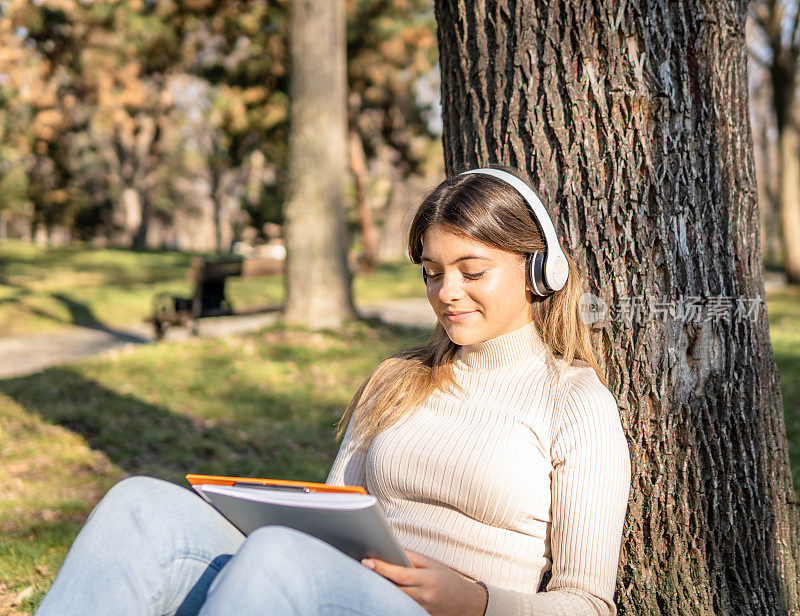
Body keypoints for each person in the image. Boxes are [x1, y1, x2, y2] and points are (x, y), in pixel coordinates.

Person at [35, 166, 631, 616]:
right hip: (330, 589)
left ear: (538, 271)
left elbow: (588, 604)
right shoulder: (396, 378)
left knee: (279, 559)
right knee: (140, 506)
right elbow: (328, 513)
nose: (447, 292)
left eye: (472, 272)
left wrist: (472, 599)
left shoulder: (574, 403)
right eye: (432, 271)